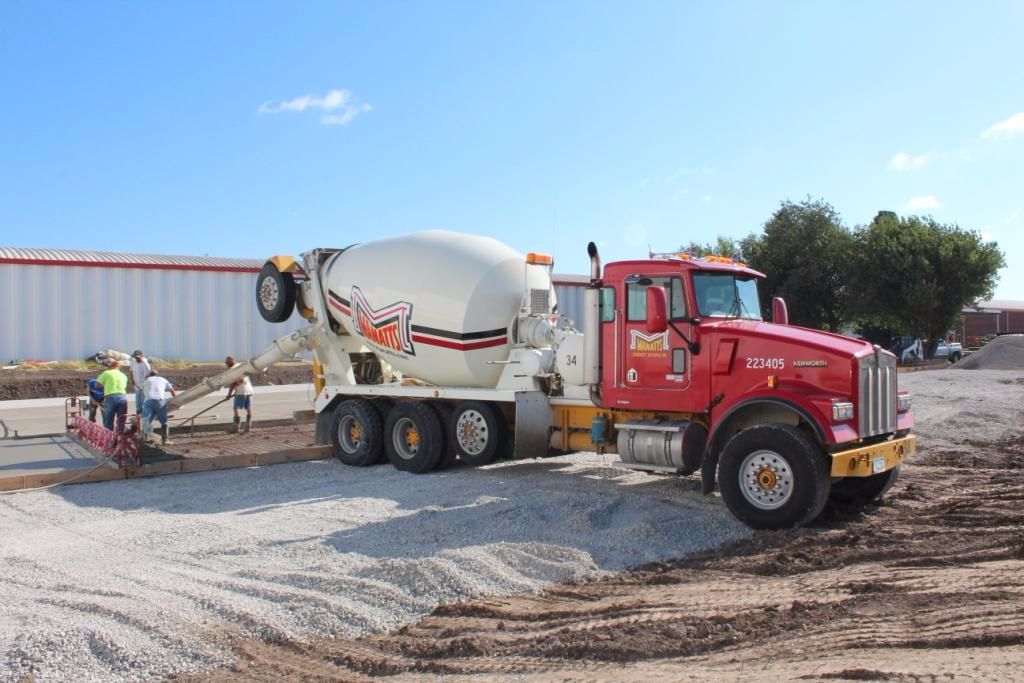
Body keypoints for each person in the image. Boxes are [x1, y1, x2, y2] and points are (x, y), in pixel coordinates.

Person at [141, 370, 176, 445]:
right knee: (164, 421)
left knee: (147, 420)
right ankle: (165, 440)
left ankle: (145, 439)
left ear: (149, 375)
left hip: (148, 401)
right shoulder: (162, 379)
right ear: (157, 375)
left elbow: (143, 393)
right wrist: (176, 399)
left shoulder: (146, 380)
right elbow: (172, 390)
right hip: (159, 401)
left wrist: (143, 404)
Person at [96, 360, 129, 432]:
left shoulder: (106, 373)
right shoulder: (124, 375)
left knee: (109, 419)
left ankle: (109, 438)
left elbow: (97, 385)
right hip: (122, 397)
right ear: (119, 367)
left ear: (111, 366)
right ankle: (120, 437)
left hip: (111, 397)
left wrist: (105, 385)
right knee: (121, 419)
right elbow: (124, 386)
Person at [225, 356, 254, 434]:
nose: (226, 364)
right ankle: (248, 427)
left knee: (236, 408)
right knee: (248, 407)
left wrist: (229, 395)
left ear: (231, 362)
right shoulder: (240, 366)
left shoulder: (233, 370)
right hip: (249, 390)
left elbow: (236, 382)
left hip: (241, 392)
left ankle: (236, 427)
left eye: (227, 362)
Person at [129, 349, 152, 415]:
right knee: (138, 401)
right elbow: (131, 371)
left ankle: (145, 415)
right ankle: (138, 414)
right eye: (135, 357)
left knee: (144, 401)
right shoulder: (133, 361)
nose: (136, 359)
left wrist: (144, 386)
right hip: (137, 384)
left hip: (144, 385)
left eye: (138, 357)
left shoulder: (145, 364)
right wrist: (132, 379)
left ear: (142, 356)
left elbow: (148, 376)